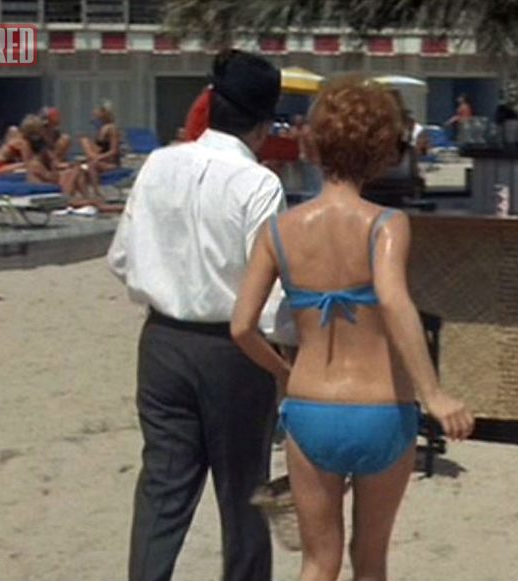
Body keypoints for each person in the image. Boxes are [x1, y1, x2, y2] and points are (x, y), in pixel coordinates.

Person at [230, 76, 474, 581]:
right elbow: (394, 300)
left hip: (311, 406)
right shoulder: (386, 224)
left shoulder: (278, 231)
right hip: (382, 407)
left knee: (318, 562)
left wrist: (283, 373)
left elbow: (241, 328)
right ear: (379, 149)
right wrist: (433, 394)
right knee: (370, 559)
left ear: (316, 143)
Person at [108, 49, 288, 581]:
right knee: (244, 492)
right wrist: (286, 360)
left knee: (163, 488)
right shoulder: (258, 183)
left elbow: (121, 258)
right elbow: (270, 292)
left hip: (162, 341)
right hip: (233, 350)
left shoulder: (159, 164)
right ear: (264, 125)